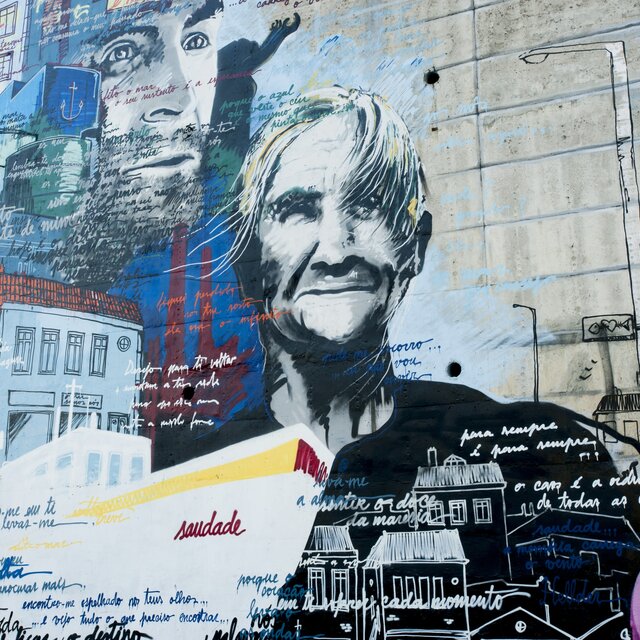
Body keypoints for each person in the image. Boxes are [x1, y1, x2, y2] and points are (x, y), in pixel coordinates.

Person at [224, 87, 640, 639]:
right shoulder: (189, 479)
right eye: (299, 210)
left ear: (414, 246)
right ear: (248, 260)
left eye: (368, 205)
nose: (335, 249)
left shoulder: (547, 453)